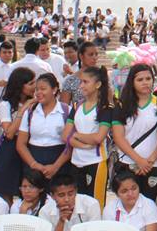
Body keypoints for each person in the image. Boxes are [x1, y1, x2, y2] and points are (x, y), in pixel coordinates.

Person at [111, 63, 157, 201]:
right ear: (132, 82)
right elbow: (119, 137)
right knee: (128, 203)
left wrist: (149, 161)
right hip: (128, 164)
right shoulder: (122, 105)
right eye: (140, 80)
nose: (145, 83)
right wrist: (139, 160)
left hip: (154, 164)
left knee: (150, 205)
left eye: (148, 79)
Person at [63, 66, 113, 207]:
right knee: (77, 204)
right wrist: (82, 143)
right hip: (76, 162)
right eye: (81, 82)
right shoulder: (77, 106)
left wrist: (76, 135)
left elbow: (99, 137)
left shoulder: (104, 108)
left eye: (85, 82)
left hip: (96, 162)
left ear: (97, 85)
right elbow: (66, 134)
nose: (81, 85)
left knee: (95, 205)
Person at [0, 66, 36, 200]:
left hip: (28, 148)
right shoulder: (6, 105)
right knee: (6, 191)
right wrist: (23, 110)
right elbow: (9, 132)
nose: (34, 86)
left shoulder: (36, 103)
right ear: (20, 85)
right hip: (9, 150)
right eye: (30, 83)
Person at [16, 73, 71, 180]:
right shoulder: (30, 112)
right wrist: (34, 164)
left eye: (43, 89)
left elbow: (70, 144)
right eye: (36, 89)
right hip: (33, 160)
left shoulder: (67, 111)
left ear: (54, 90)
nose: (38, 93)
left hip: (60, 161)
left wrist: (55, 167)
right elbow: (21, 144)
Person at [38, 172, 102, 231]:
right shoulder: (45, 212)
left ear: (76, 191)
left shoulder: (91, 204)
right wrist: (61, 221)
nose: (67, 199)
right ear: (52, 196)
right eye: (61, 195)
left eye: (70, 194)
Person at [60, 41, 101, 105]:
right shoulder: (70, 80)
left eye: (96, 54)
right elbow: (64, 108)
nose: (94, 57)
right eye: (91, 54)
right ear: (81, 56)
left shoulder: (102, 76)